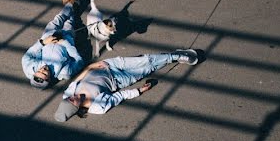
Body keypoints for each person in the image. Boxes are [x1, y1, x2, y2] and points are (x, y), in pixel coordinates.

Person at [53, 50, 199, 121]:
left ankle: (175, 56)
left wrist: (92, 66)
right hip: (120, 80)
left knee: (145, 60)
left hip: (108, 65)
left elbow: (78, 77)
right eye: (72, 100)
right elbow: (119, 96)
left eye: (69, 98)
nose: (72, 96)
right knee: (148, 69)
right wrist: (140, 90)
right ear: (76, 108)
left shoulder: (68, 94)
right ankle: (167, 58)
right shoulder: (97, 107)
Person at [22, 0, 84, 88]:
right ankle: (71, 2)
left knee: (58, 18)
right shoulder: (65, 73)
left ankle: (70, 2)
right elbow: (79, 61)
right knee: (69, 21)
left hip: (48, 36)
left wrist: (43, 42)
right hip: (66, 38)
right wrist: (65, 43)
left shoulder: (30, 69)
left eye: (39, 70)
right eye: (45, 73)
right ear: (49, 79)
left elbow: (26, 57)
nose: (43, 68)